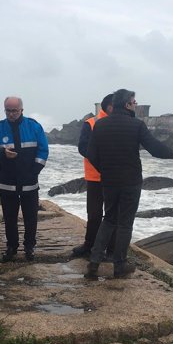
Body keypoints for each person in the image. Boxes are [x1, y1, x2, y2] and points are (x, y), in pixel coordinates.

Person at [84, 89, 173, 279]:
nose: (135, 104)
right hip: (130, 181)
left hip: (109, 181)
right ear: (127, 105)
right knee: (125, 223)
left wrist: (105, 170)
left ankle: (94, 262)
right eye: (134, 101)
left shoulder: (100, 125)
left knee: (109, 219)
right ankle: (119, 265)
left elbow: (91, 153)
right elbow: (154, 148)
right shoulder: (136, 125)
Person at [0, 96, 49, 262]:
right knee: (9, 218)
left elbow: (43, 151)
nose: (11, 114)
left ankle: (30, 247)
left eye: (14, 110)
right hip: (7, 182)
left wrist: (34, 170)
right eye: (8, 110)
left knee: (31, 218)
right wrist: (1, 153)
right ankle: (11, 247)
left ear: (22, 110)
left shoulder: (34, 126)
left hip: (29, 182)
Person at [72, 93, 116, 258]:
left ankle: (110, 250)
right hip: (95, 178)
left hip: (114, 179)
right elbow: (83, 147)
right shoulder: (91, 123)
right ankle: (89, 246)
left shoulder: (120, 124)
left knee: (112, 215)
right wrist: (102, 163)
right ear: (110, 106)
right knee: (95, 214)